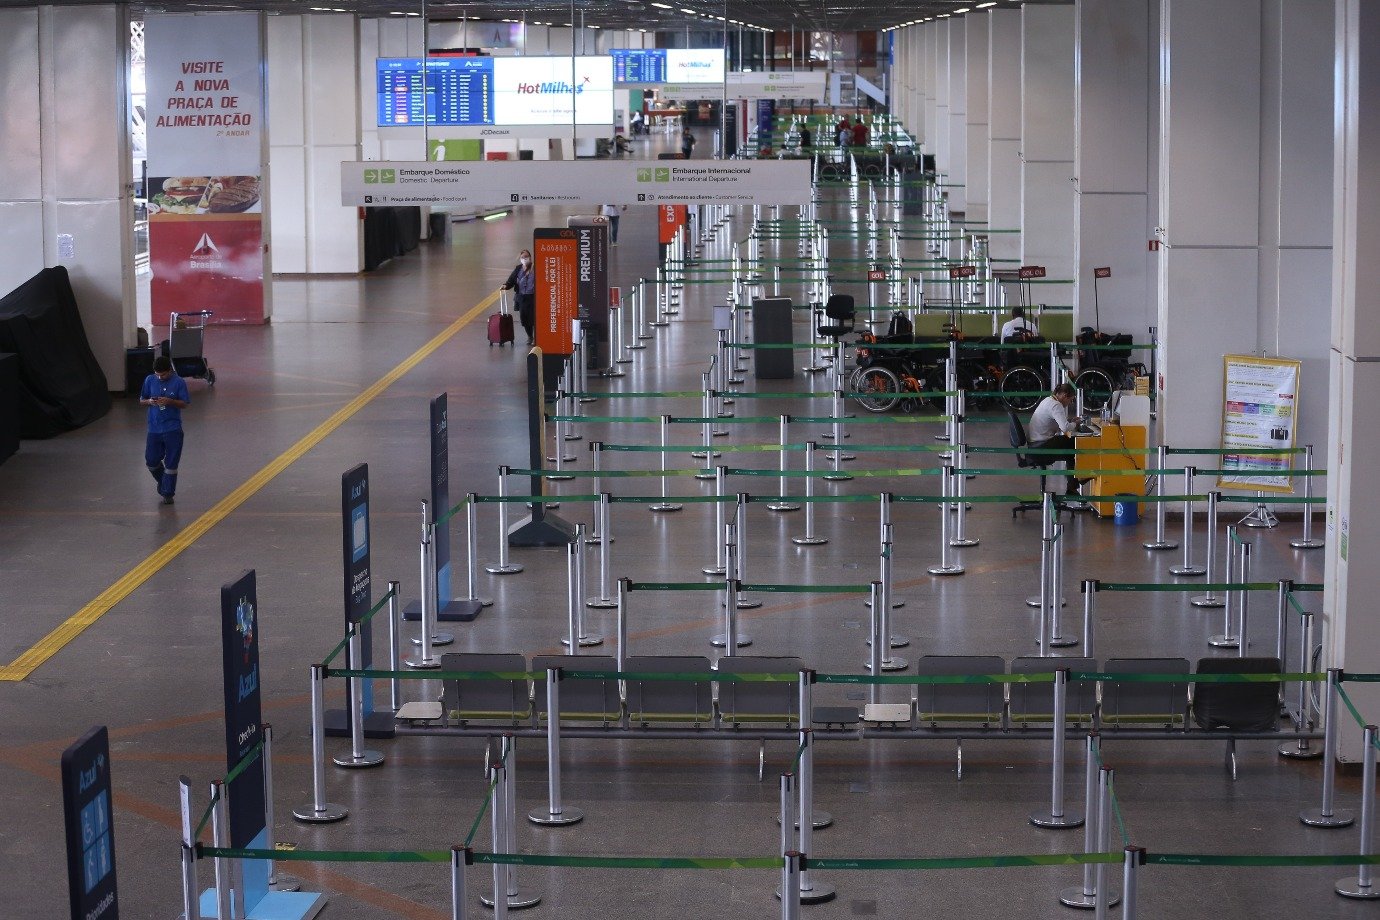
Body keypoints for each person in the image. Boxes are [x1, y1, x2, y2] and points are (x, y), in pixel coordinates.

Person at [139, 354, 190, 506]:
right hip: (154, 428)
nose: (160, 377)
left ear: (170, 371)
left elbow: (184, 403)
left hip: (172, 428)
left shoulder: (179, 382)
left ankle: (168, 493)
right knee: (151, 461)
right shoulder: (149, 380)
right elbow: (142, 400)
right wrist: (149, 401)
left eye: (163, 374)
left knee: (171, 463)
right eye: (157, 374)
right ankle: (163, 482)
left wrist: (170, 401)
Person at [1028, 382, 1091, 496]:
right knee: (1077, 444)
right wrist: (1076, 424)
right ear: (1064, 396)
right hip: (1042, 447)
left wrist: (1070, 421)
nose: (1070, 403)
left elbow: (1058, 422)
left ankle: (1073, 484)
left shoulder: (1048, 400)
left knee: (1070, 446)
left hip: (1035, 445)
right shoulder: (1056, 405)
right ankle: (1079, 479)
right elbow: (1065, 428)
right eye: (1070, 400)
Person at [502, 248, 536, 343]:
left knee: (534, 318)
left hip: (533, 297)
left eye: (526, 257)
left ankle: (537, 336)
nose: (524, 259)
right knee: (524, 318)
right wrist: (506, 285)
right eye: (522, 257)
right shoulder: (518, 269)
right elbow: (511, 280)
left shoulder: (535, 268)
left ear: (530, 257)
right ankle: (530, 336)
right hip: (522, 297)